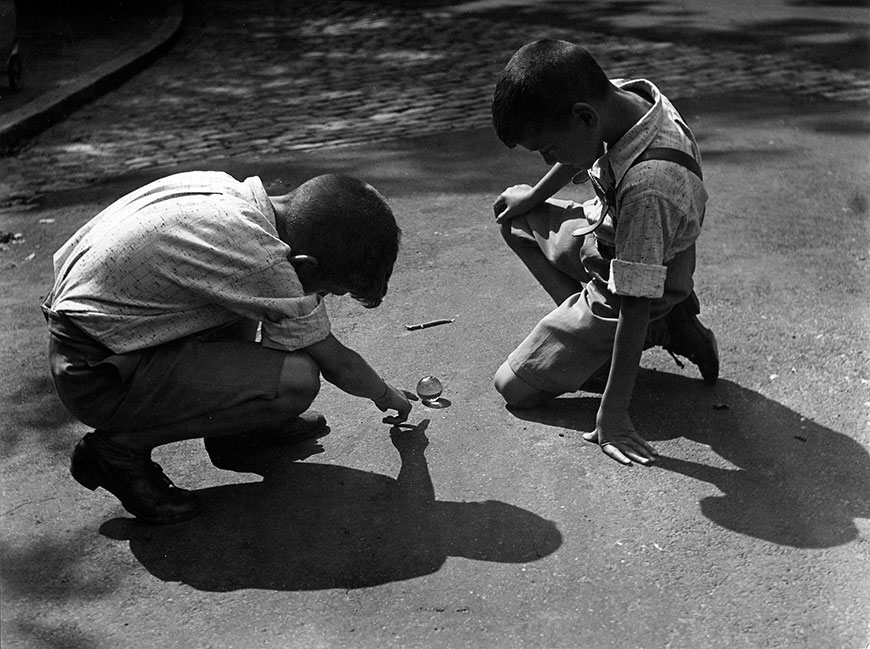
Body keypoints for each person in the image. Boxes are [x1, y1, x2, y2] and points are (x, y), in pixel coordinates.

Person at [43, 170, 413, 524]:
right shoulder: (264, 261)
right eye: (331, 289)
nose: (325, 297)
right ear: (306, 264)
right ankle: (118, 451)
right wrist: (386, 395)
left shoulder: (233, 198)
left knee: (258, 305)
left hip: (104, 339)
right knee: (296, 380)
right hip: (95, 375)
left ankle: (237, 432)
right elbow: (335, 362)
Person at [490, 39, 719, 467]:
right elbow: (579, 149)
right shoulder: (617, 98)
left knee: (513, 388)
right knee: (514, 215)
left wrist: (613, 415)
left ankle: (660, 326)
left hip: (638, 282)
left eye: (549, 150)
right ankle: (599, 345)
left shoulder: (650, 185)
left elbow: (634, 298)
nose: (547, 160)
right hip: (609, 235)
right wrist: (533, 197)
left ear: (584, 118)